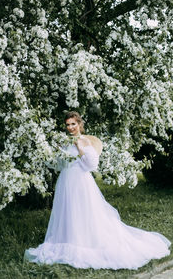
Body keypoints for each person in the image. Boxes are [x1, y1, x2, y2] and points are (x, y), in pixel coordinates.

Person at [24, 111, 171, 270]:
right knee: (67, 211)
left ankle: (85, 242)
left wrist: (80, 148)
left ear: (79, 124)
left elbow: (91, 166)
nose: (71, 127)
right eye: (68, 124)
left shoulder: (86, 141)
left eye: (73, 124)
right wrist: (56, 151)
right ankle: (68, 239)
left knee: (84, 212)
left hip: (81, 182)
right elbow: (58, 165)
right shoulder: (65, 142)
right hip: (65, 181)